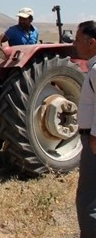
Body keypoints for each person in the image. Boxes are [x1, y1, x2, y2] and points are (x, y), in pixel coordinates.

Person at [76, 20, 96, 238]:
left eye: (78, 39)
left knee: (88, 203)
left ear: (92, 42)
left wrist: (94, 137)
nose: (74, 44)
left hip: (93, 141)